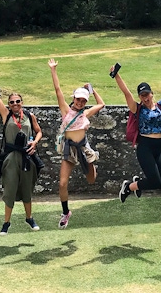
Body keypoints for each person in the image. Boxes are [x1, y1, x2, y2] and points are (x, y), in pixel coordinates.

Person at [113, 59, 161, 202]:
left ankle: (138, 183)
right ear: (140, 97)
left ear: (151, 93)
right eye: (142, 95)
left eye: (147, 94)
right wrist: (116, 75)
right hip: (145, 147)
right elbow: (126, 93)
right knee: (154, 181)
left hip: (158, 147)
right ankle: (129, 187)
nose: (145, 98)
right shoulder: (137, 109)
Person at [49, 58, 106, 229]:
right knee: (62, 183)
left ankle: (92, 159)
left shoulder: (85, 113)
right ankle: (66, 212)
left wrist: (93, 90)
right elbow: (57, 89)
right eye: (78, 99)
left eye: (83, 100)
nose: (80, 102)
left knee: (91, 179)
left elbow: (102, 104)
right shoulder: (66, 110)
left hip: (83, 148)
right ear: (73, 98)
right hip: (69, 149)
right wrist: (53, 70)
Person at [0, 67, 43, 235]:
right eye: (12, 102)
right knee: (9, 189)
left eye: (18, 101)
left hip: (27, 156)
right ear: (9, 105)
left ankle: (29, 218)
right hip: (11, 157)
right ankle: (6, 223)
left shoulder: (29, 116)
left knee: (27, 188)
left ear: (22, 102)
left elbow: (39, 131)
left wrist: (35, 143)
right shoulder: (6, 115)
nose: (15, 104)